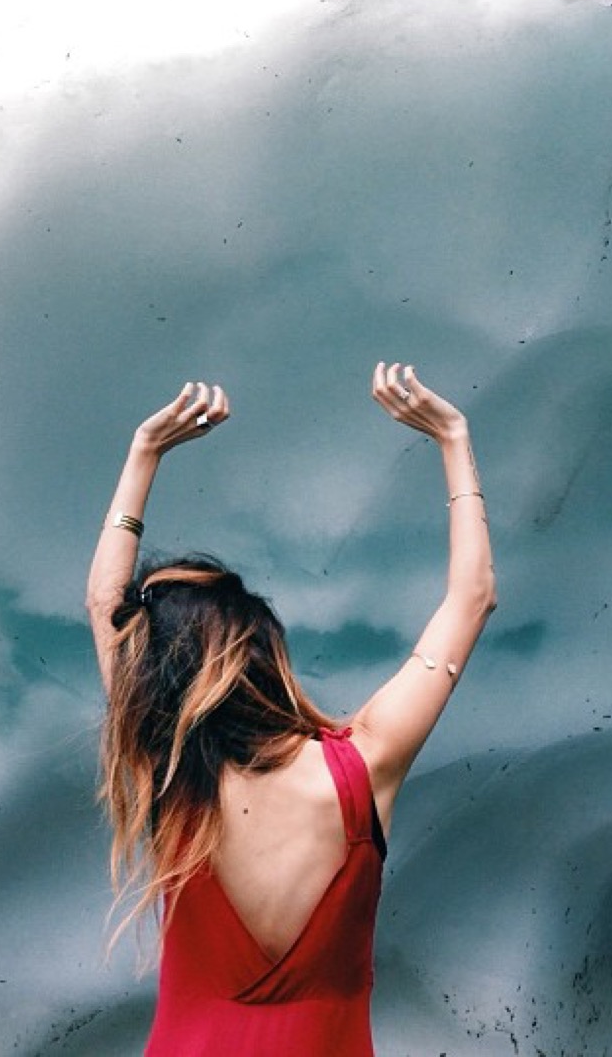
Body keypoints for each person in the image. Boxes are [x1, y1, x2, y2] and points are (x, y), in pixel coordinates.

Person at [86, 363, 496, 1056]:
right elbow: (472, 597)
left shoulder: (170, 776)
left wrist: (143, 454)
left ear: (157, 686)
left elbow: (106, 602)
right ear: (262, 652)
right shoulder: (363, 766)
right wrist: (453, 441)